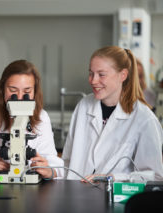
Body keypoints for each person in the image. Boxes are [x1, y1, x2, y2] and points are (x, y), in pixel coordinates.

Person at [62, 46, 163, 182]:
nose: (93, 80)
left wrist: (113, 178)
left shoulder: (144, 118)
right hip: (76, 193)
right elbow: (67, 161)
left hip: (115, 198)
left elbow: (154, 177)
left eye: (101, 74)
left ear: (123, 75)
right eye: (91, 73)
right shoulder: (84, 106)